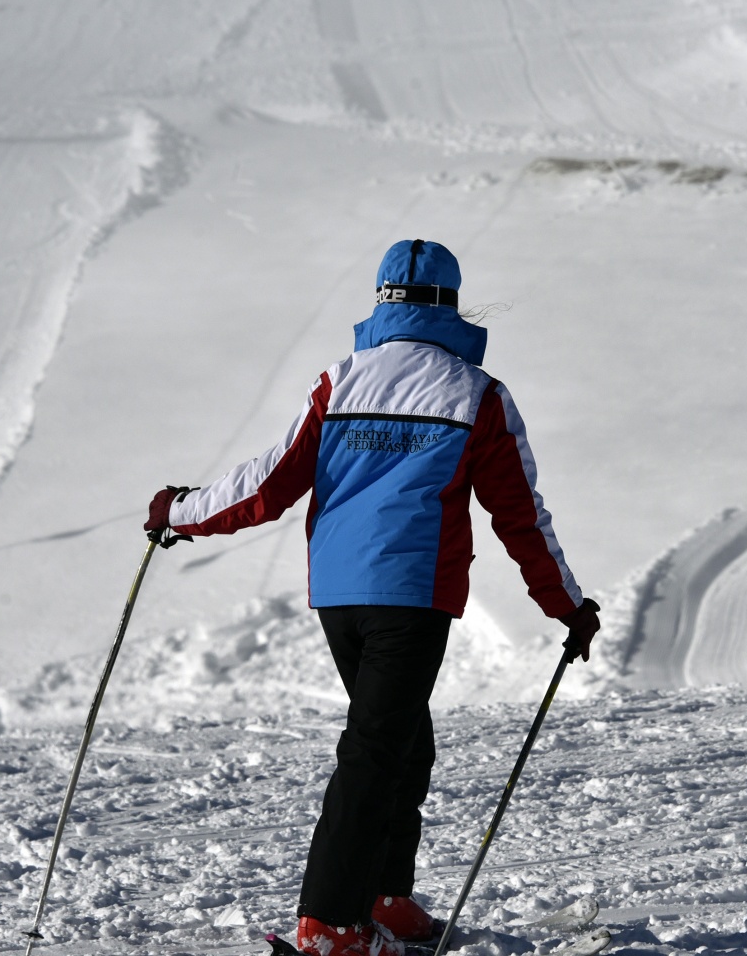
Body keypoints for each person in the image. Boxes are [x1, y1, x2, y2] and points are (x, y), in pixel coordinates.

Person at [144, 239, 601, 956]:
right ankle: (331, 923)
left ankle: (386, 898)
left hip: (339, 595)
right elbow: (520, 517)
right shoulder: (476, 394)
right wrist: (568, 606)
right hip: (412, 594)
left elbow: (267, 485)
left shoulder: (341, 380)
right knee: (375, 751)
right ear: (450, 304)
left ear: (381, 299)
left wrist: (179, 512)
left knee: (401, 739)